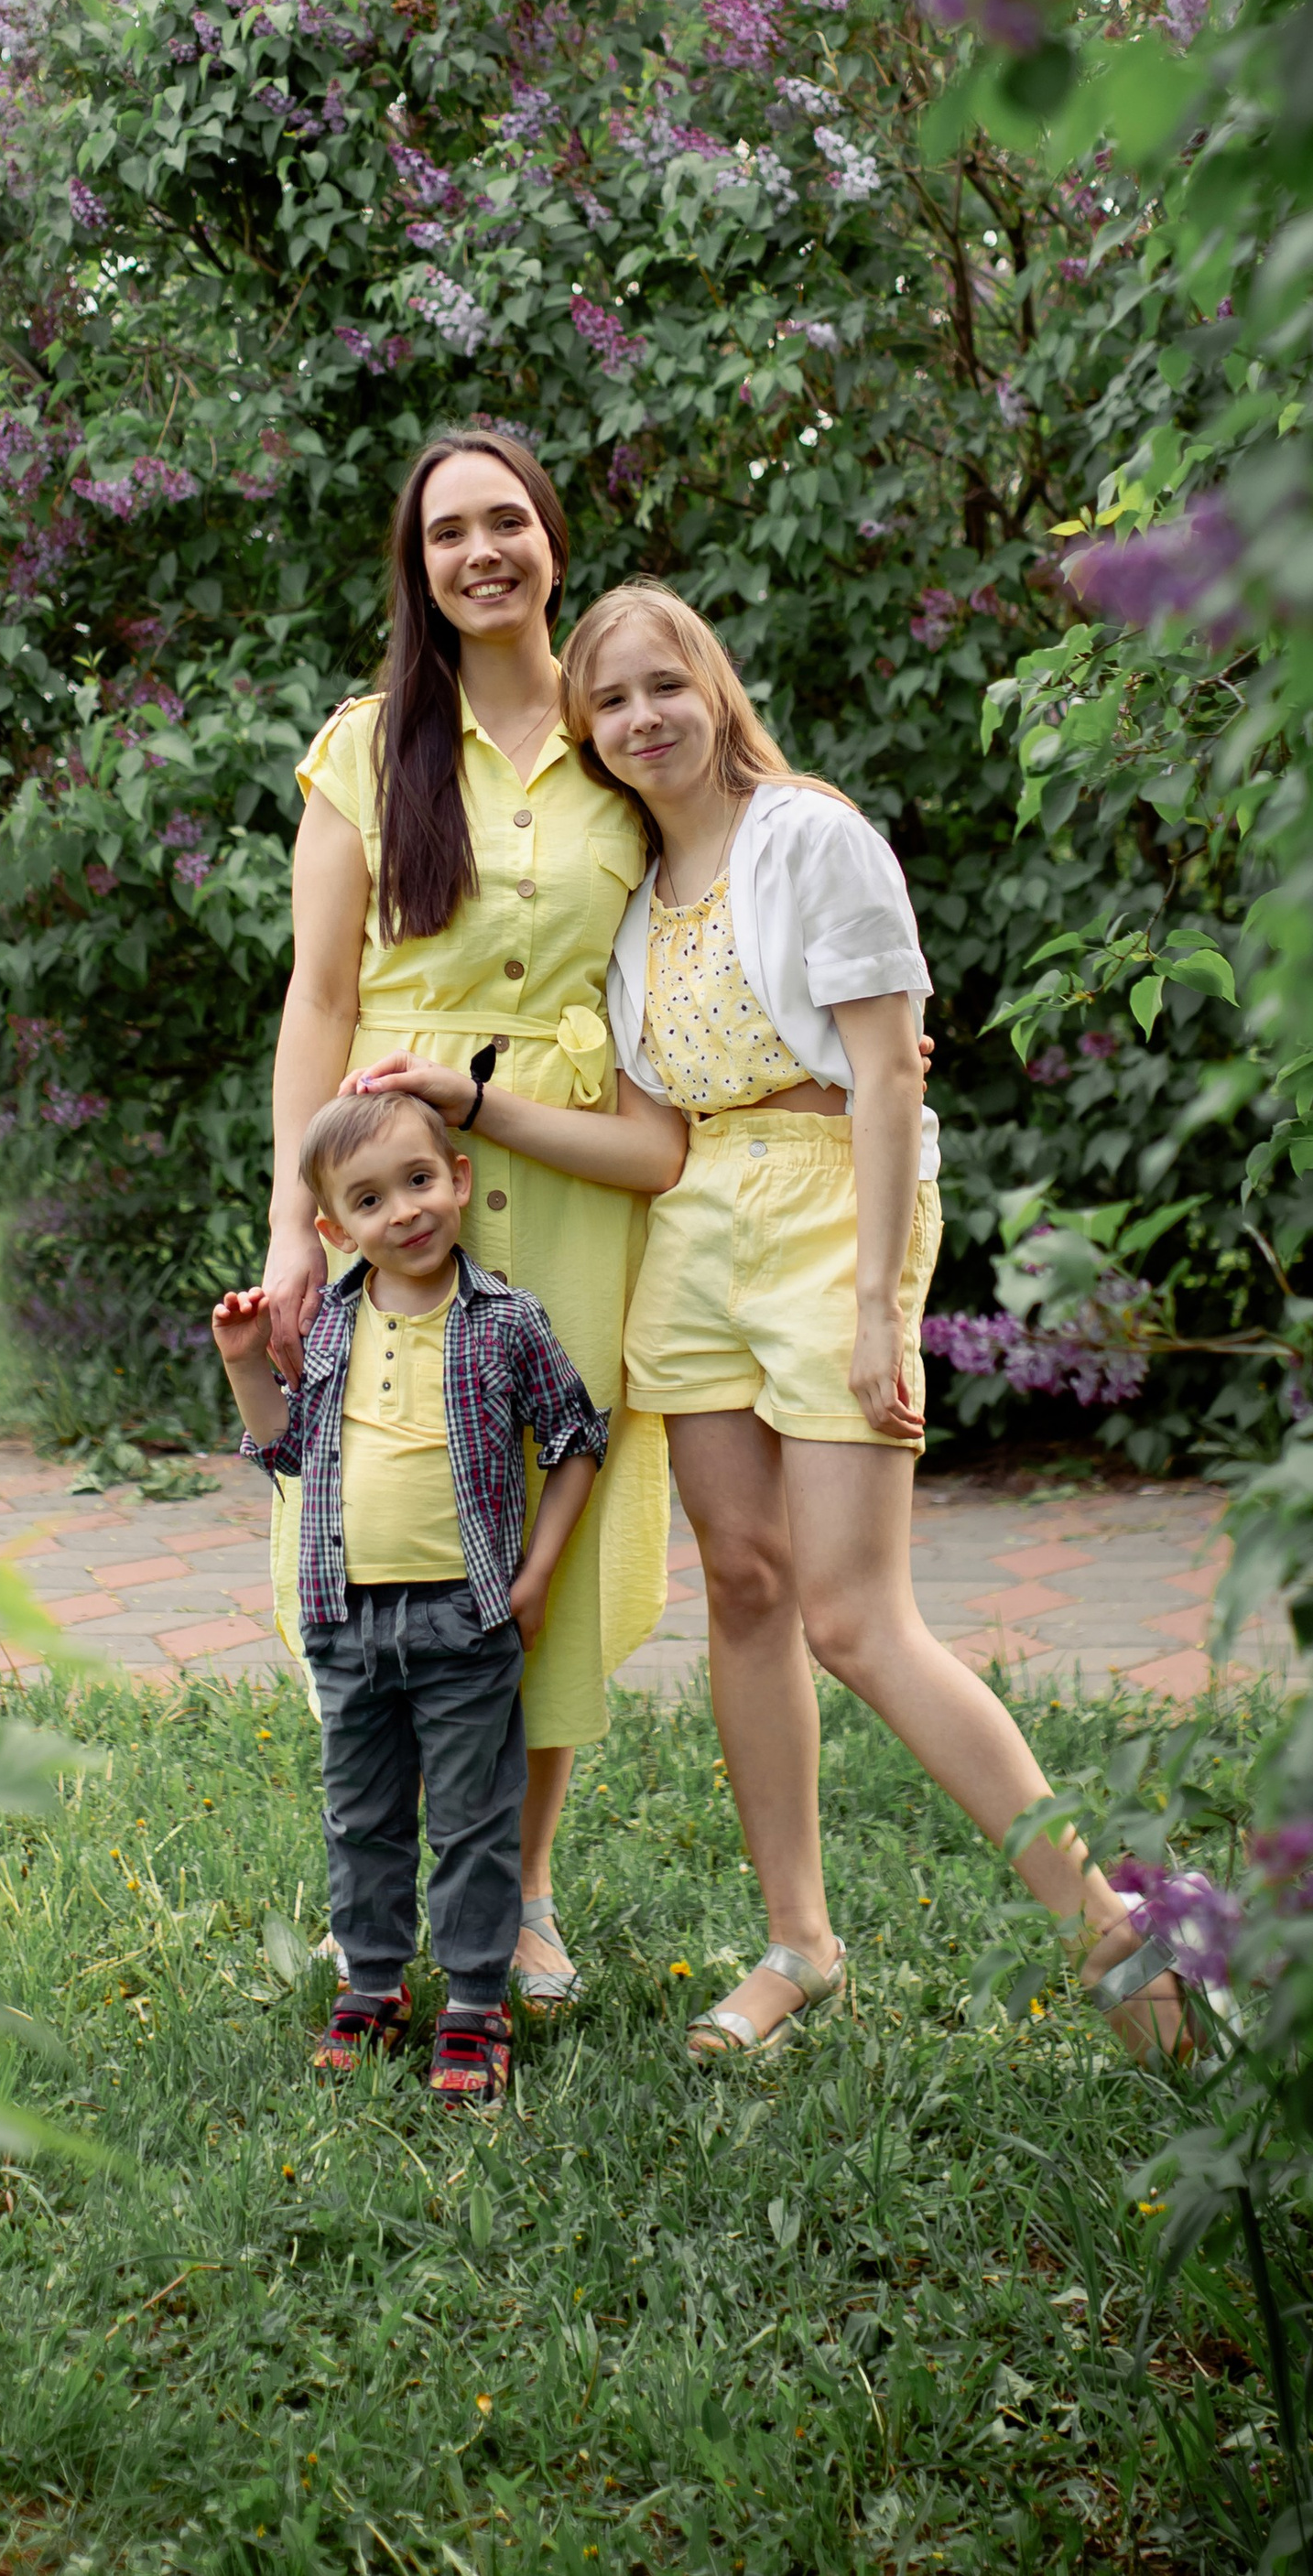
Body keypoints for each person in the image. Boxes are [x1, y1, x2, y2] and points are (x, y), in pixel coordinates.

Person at [556, 579, 1188, 2062]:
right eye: (613, 699)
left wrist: (876, 1306)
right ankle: (799, 1943)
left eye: (667, 683)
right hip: (697, 1222)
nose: (643, 715)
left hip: (833, 1199)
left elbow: (891, 1076)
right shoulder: (638, 904)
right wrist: (459, 1104)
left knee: (855, 1612)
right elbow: (654, 1130)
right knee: (750, 1584)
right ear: (587, 731)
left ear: (714, 689)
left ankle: (1113, 1932)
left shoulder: (814, 836)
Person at [261, 430, 687, 2010]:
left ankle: (521, 1891)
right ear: (419, 563)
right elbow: (316, 993)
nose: (482, 549)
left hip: (566, 1167)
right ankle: (386, 1877)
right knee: (388, 1498)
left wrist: (866, 1016)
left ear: (553, 538)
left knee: (542, 1515)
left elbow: (739, 875)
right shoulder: (371, 743)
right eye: (449, 530)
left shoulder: (620, 724)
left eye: (507, 518)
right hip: (390, 1172)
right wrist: (296, 1228)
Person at [214, 1089, 611, 2105]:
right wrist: (243, 1367)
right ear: (333, 1228)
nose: (404, 1211)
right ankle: (375, 1980)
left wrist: (535, 1577)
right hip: (346, 1618)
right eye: (370, 1199)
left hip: (464, 1615)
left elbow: (574, 1443)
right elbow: (290, 1452)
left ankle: (476, 1999)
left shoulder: (507, 1321)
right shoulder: (332, 1324)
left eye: (419, 1181)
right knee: (364, 1815)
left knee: (477, 1819)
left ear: (460, 1181)